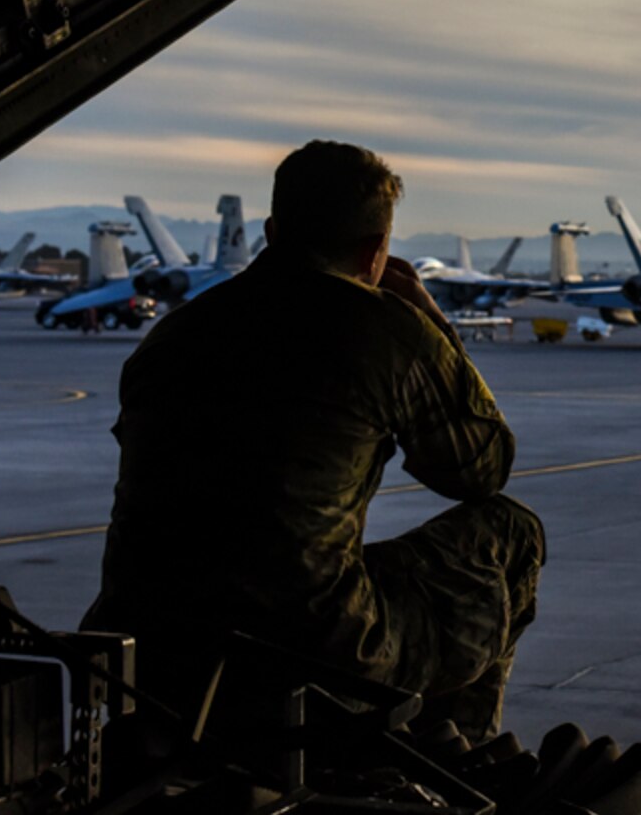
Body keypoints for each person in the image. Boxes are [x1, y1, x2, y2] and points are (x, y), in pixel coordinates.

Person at [84, 141, 540, 740]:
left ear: (272, 230)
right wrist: (433, 324)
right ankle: (454, 768)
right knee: (510, 532)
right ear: (377, 249)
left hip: (146, 641)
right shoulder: (386, 329)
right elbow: (481, 470)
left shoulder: (176, 333)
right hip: (309, 648)